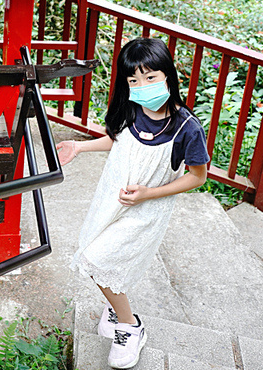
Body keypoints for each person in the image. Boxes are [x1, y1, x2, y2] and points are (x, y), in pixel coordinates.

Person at [58, 37, 210, 368]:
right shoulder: (133, 109)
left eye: (150, 77)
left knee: (97, 259)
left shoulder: (187, 128)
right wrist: (80, 148)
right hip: (112, 201)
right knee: (101, 260)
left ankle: (130, 326)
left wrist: (147, 193)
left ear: (168, 75)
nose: (142, 86)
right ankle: (117, 309)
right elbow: (118, 139)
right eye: (133, 81)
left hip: (146, 210)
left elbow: (198, 177)